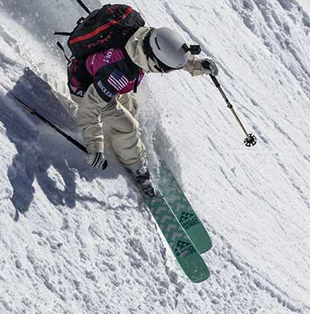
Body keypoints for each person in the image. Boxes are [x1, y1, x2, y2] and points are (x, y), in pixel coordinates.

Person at [72, 26, 219, 196]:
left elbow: (167, 50)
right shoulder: (119, 72)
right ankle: (136, 168)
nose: (168, 71)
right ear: (155, 63)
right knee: (128, 127)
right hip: (85, 89)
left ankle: (124, 142)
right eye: (167, 69)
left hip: (107, 85)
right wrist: (94, 146)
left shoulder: (142, 39)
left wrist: (196, 65)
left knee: (131, 108)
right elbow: (89, 108)